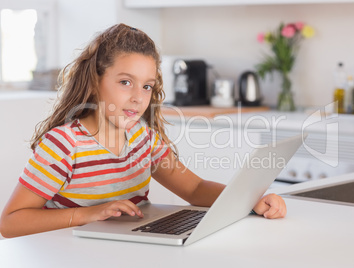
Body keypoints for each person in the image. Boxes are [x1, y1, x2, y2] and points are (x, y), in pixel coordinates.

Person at [0, 24, 286, 238]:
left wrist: (251, 200)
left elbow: (195, 188)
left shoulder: (142, 137)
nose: (138, 97)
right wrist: (89, 214)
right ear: (94, 81)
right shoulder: (64, 145)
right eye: (125, 82)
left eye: (147, 86)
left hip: (123, 251)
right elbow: (10, 222)